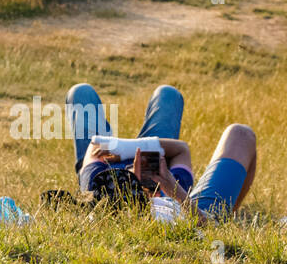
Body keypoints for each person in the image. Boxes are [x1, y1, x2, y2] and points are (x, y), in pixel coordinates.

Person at [66, 82, 257, 221]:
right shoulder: (169, 182)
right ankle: (228, 216)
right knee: (168, 94)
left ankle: (225, 216)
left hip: (118, 157)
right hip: (158, 173)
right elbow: (181, 148)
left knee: (81, 92)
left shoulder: (100, 181)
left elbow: (95, 145)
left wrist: (125, 151)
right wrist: (172, 187)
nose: (131, 171)